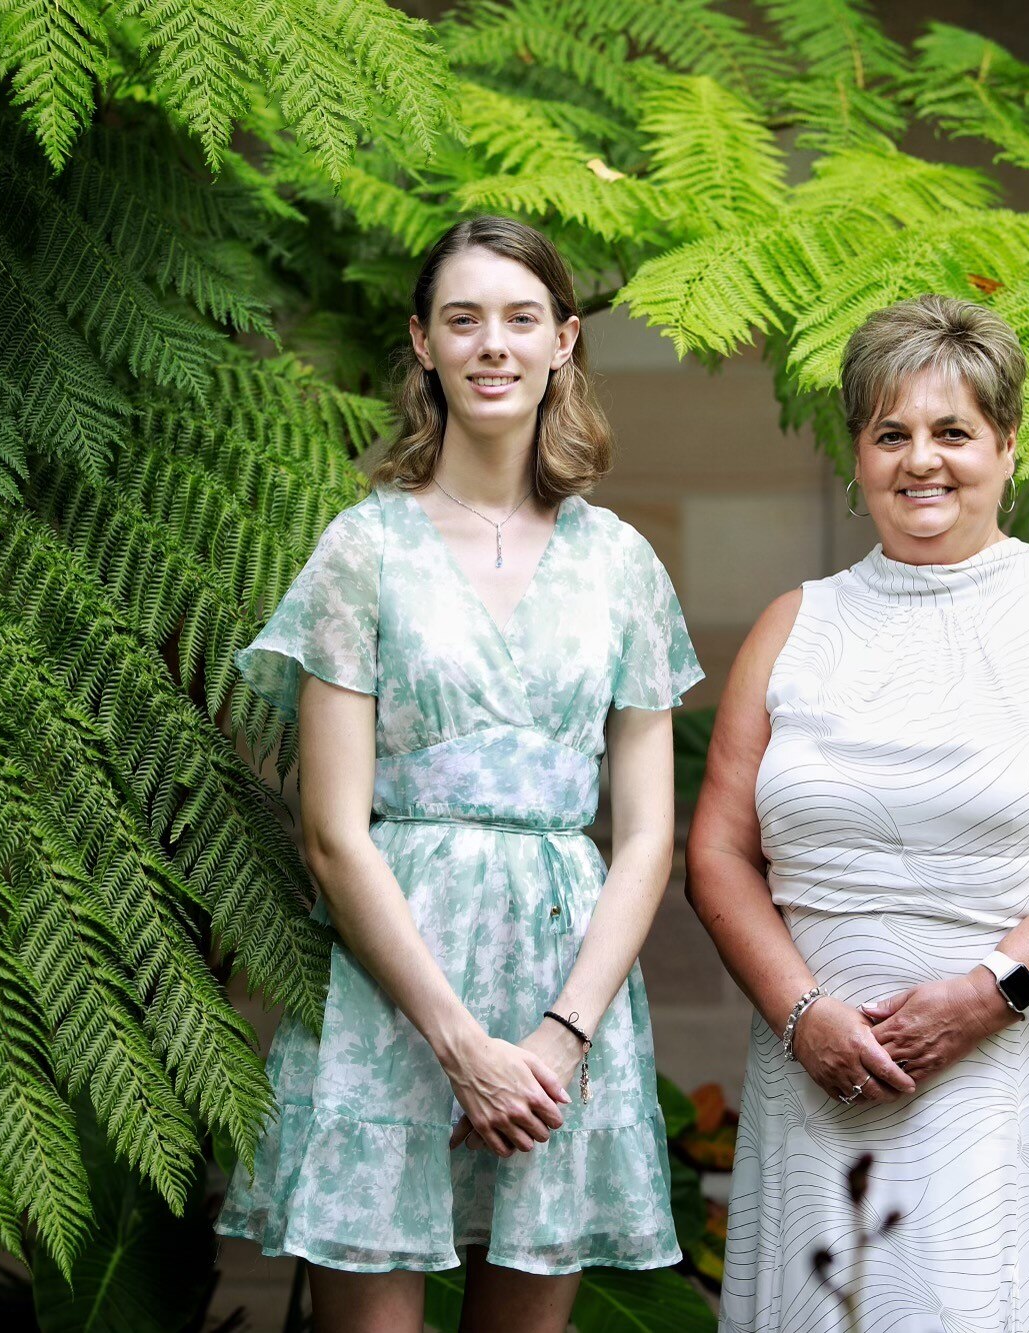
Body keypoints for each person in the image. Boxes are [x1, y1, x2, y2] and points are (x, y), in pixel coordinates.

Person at [216, 216, 702, 1333]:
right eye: (463, 318)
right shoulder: (362, 549)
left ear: (564, 342)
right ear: (423, 345)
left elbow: (643, 837)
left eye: (520, 318)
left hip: (561, 997)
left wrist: (557, 1036)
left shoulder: (620, 565)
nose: (494, 344)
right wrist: (457, 1043)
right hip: (397, 998)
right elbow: (333, 832)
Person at [687, 294, 1029, 1332]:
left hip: (1020, 1057)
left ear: (1005, 446)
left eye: (952, 431)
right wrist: (799, 1015)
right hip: (821, 1071)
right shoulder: (793, 625)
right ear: (856, 454)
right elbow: (719, 854)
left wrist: (989, 994)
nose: (922, 460)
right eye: (890, 432)